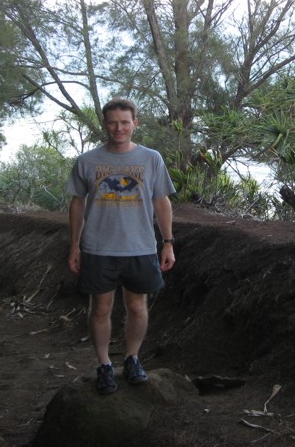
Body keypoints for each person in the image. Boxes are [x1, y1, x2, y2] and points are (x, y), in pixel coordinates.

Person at [66, 97, 176, 395]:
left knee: (136, 305)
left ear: (134, 125)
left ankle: (132, 358)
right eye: (113, 122)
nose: (118, 128)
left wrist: (167, 242)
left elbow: (162, 202)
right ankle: (103, 365)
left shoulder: (151, 159)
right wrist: (74, 245)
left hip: (140, 246)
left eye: (125, 122)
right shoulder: (87, 161)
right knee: (100, 308)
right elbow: (77, 203)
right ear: (105, 124)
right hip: (98, 247)